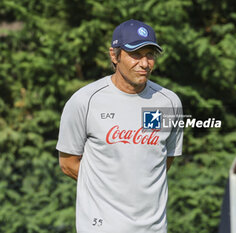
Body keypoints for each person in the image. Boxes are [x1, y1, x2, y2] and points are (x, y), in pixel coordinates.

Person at [56, 19, 183, 233]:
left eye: (150, 54)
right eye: (135, 54)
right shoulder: (84, 101)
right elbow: (67, 163)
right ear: (114, 56)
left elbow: (162, 162)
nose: (144, 63)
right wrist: (111, 189)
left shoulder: (169, 103)